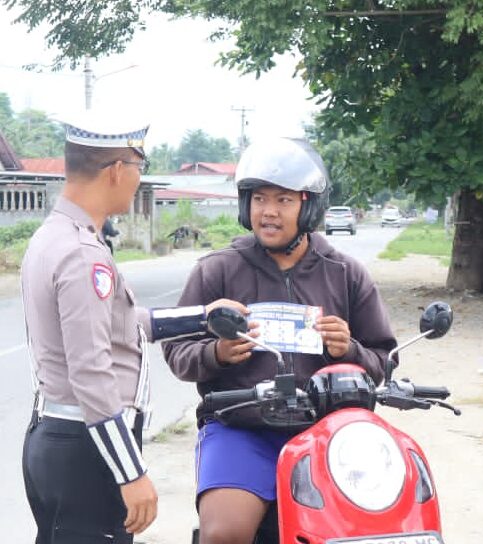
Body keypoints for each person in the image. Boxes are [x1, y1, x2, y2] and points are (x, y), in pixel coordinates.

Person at [20, 110, 245, 544]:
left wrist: (204, 318)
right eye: (140, 168)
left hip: (58, 438)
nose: (140, 178)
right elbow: (91, 372)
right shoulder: (84, 255)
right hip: (86, 450)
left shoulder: (53, 236)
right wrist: (130, 472)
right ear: (118, 170)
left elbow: (120, 324)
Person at [162, 137, 398, 543]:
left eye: (284, 200)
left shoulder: (345, 273)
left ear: (308, 206)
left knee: (361, 528)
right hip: (239, 428)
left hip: (328, 432)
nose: (268, 211)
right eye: (259, 199)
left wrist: (350, 351)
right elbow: (177, 352)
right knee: (225, 533)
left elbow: (385, 358)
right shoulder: (217, 270)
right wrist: (217, 353)